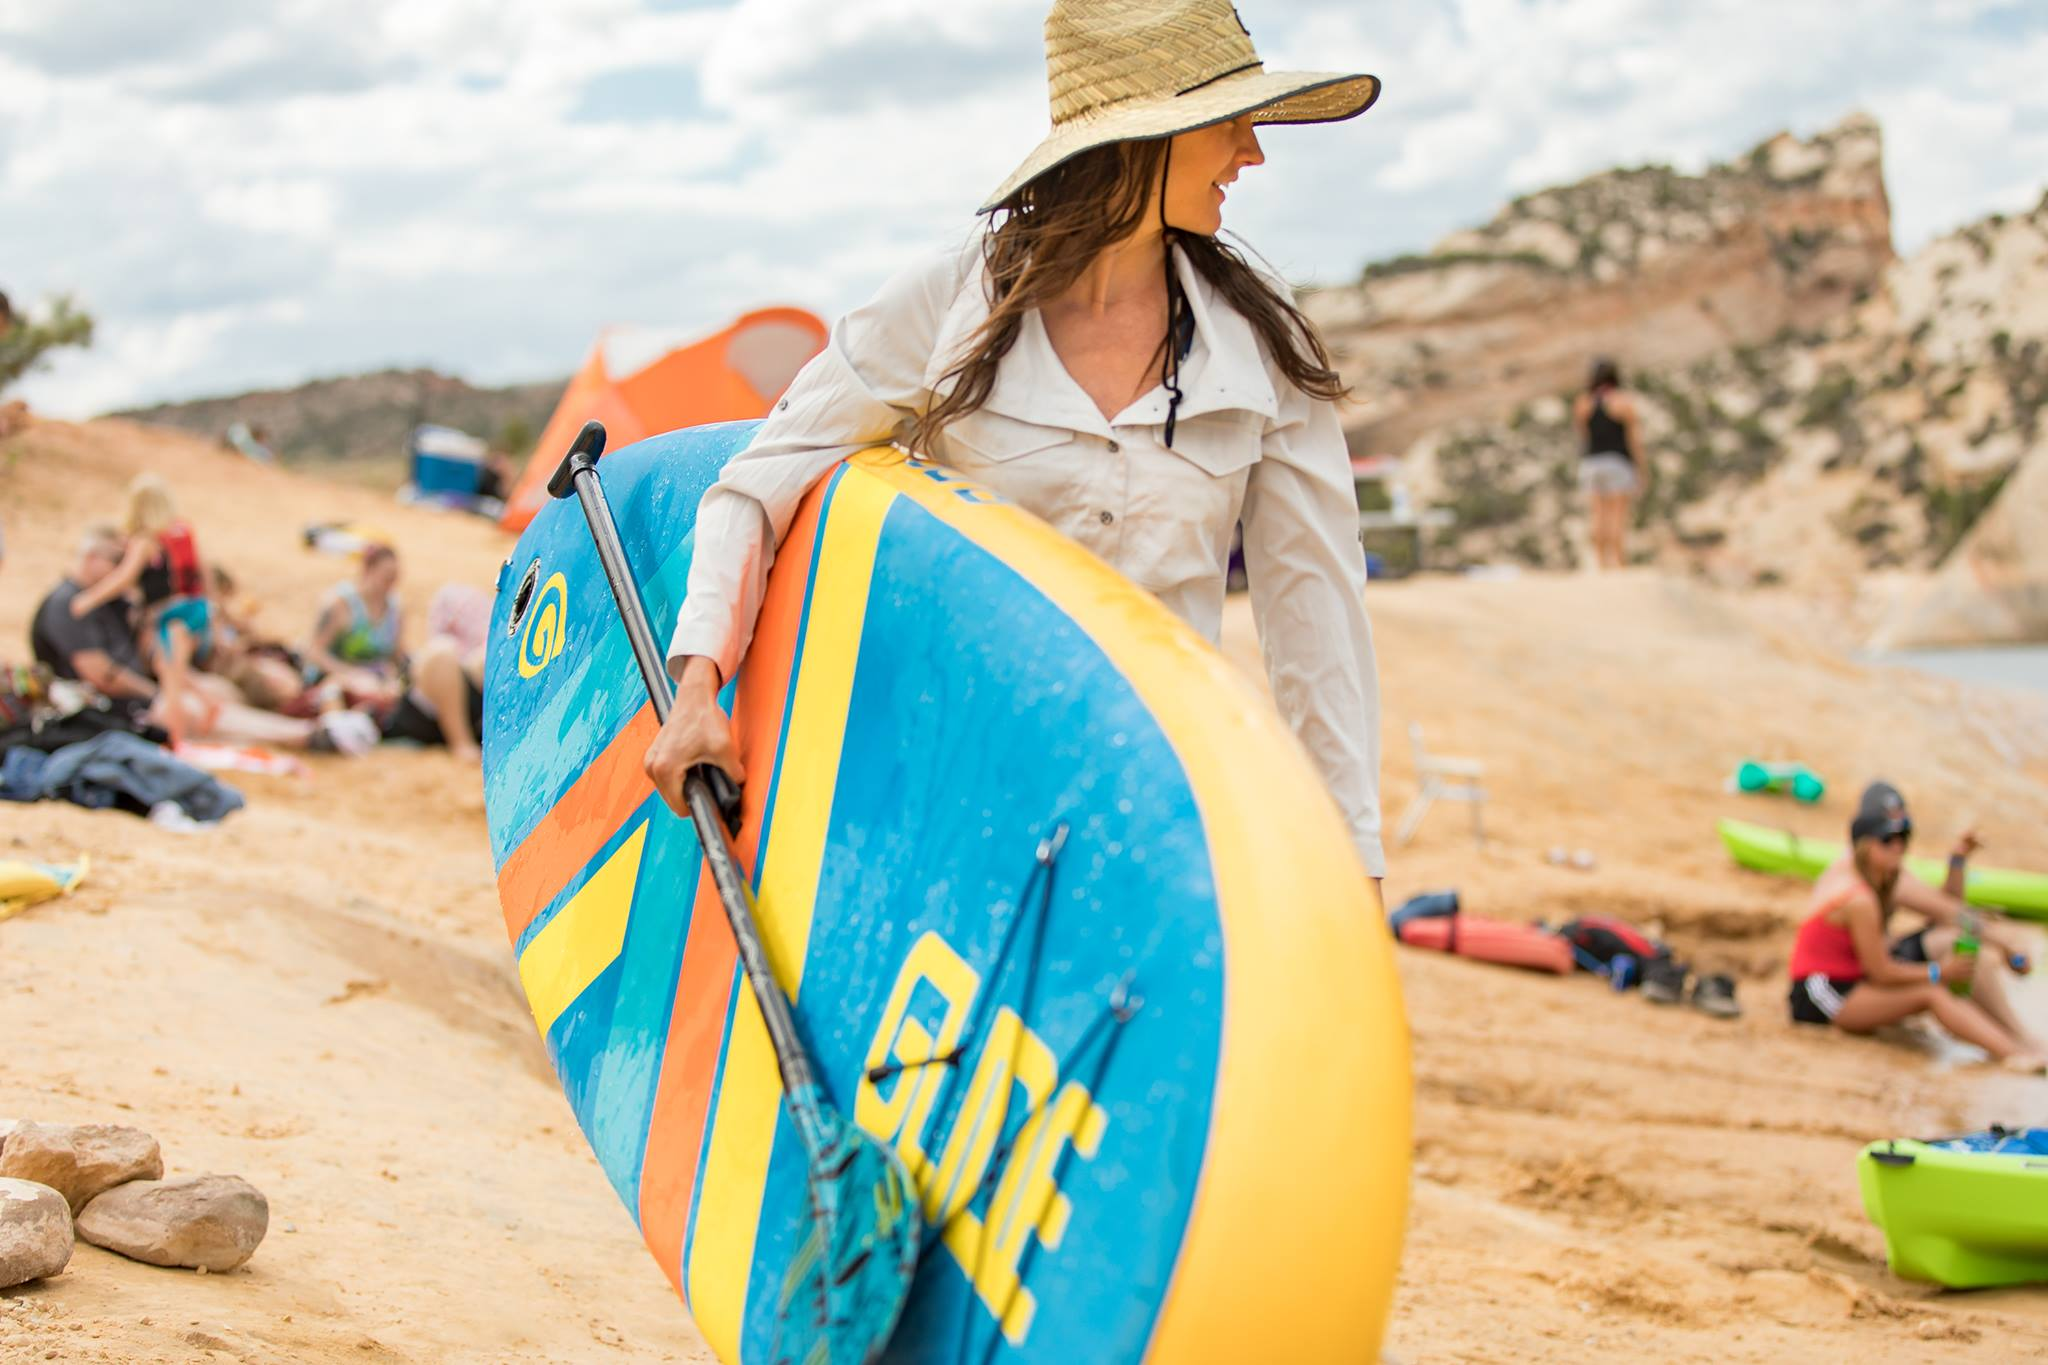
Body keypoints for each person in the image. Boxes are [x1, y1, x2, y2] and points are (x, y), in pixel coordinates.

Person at [644, 0, 1389, 884]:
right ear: (1146, 136)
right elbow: (760, 482)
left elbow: (1318, 619)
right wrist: (697, 690)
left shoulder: (1263, 335)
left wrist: (1352, 865)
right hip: (952, 794)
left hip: (1154, 805)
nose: (1253, 152)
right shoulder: (955, 301)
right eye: (1230, 122)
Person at [33, 524, 375, 755]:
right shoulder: (67, 604)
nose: (127, 571)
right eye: (119, 561)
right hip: (105, 705)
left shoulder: (110, 601)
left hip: (140, 689)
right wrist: (162, 690)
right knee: (191, 707)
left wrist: (184, 678)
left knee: (216, 692)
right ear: (92, 557)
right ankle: (306, 735)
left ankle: (305, 729)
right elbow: (98, 673)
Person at [1787, 781, 2045, 1070]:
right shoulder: (1857, 893)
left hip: (1859, 976)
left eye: (1903, 837)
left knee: (1957, 953)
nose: (1898, 846)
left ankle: (2022, 1043)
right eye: (1888, 839)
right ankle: (2014, 1052)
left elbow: (1947, 911)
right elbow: (1882, 971)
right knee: (1934, 989)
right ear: (1864, 842)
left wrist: (1958, 862)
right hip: (1824, 991)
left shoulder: (1886, 876)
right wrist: (1939, 972)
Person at [66, 474, 213, 747]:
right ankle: (208, 704)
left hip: (172, 617)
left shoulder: (147, 540)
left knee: (171, 684)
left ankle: (176, 740)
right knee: (174, 672)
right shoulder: (182, 530)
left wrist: (87, 599)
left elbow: (124, 577)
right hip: (196, 609)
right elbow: (203, 571)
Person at [303, 544, 405, 706]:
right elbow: (314, 652)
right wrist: (351, 674)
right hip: (337, 678)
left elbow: (397, 654)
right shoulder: (340, 604)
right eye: (386, 577)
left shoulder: (395, 608)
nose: (391, 583)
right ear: (368, 570)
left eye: (395, 577)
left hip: (375, 680)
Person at [1571, 358, 1641, 570]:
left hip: (1591, 463)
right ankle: (1619, 563)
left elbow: (1583, 436)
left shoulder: (1583, 403)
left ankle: (1601, 564)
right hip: (1617, 462)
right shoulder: (1622, 402)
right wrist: (1640, 467)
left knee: (1597, 515)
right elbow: (1633, 439)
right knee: (1617, 516)